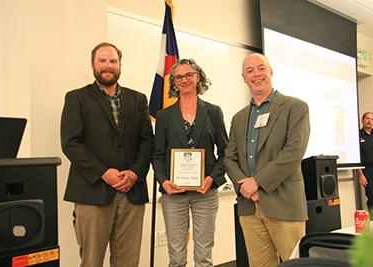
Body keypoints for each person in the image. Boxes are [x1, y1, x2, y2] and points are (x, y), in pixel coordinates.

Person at [60, 42, 153, 267]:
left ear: (120, 65)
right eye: (102, 61)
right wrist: (104, 173)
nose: (107, 66)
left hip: (132, 191)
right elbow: (71, 143)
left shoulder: (138, 99)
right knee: (91, 261)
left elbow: (147, 141)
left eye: (113, 61)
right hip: (92, 192)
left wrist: (134, 173)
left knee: (128, 261)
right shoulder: (76, 98)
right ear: (93, 64)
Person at [224, 53, 310, 267]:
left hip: (284, 203)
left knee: (296, 264)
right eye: (249, 71)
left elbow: (293, 152)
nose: (256, 74)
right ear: (243, 78)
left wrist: (257, 182)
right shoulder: (239, 117)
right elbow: (229, 157)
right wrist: (244, 186)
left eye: (261, 68)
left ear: (271, 71)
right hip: (249, 207)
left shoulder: (295, 107)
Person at [152, 58, 228, 267]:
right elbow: (157, 155)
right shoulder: (164, 116)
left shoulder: (213, 112)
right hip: (173, 193)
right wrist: (164, 181)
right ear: (174, 82)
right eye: (179, 77)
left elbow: (225, 152)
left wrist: (212, 178)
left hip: (205, 192)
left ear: (198, 77)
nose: (184, 79)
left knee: (204, 253)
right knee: (176, 255)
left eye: (189, 75)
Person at [357, 112, 373, 213]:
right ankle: (372, 222)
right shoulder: (357, 135)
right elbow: (356, 158)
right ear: (363, 120)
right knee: (372, 197)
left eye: (372, 119)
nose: (369, 121)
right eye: (367, 118)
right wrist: (360, 175)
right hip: (367, 172)